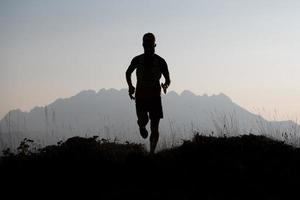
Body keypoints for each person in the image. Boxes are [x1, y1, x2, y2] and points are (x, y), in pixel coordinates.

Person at [126, 33, 171, 154]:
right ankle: (141, 125)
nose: (148, 47)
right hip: (141, 96)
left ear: (154, 45)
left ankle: (151, 154)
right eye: (146, 45)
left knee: (155, 128)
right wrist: (130, 86)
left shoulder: (161, 62)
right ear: (143, 45)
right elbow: (127, 72)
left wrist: (165, 85)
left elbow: (168, 79)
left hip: (155, 97)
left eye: (150, 45)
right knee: (143, 120)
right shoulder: (137, 60)